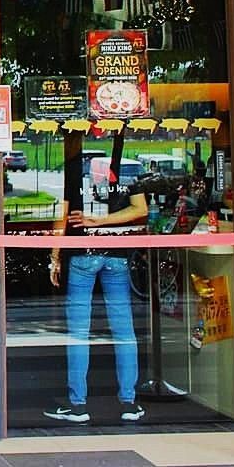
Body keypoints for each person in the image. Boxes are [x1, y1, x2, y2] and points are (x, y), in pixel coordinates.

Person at [44, 163, 149, 424]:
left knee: (79, 333)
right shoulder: (128, 169)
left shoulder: (73, 172)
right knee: (124, 331)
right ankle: (129, 403)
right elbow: (141, 209)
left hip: (82, 255)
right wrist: (105, 222)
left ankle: (78, 405)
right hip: (116, 255)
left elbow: (63, 215)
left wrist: (54, 257)